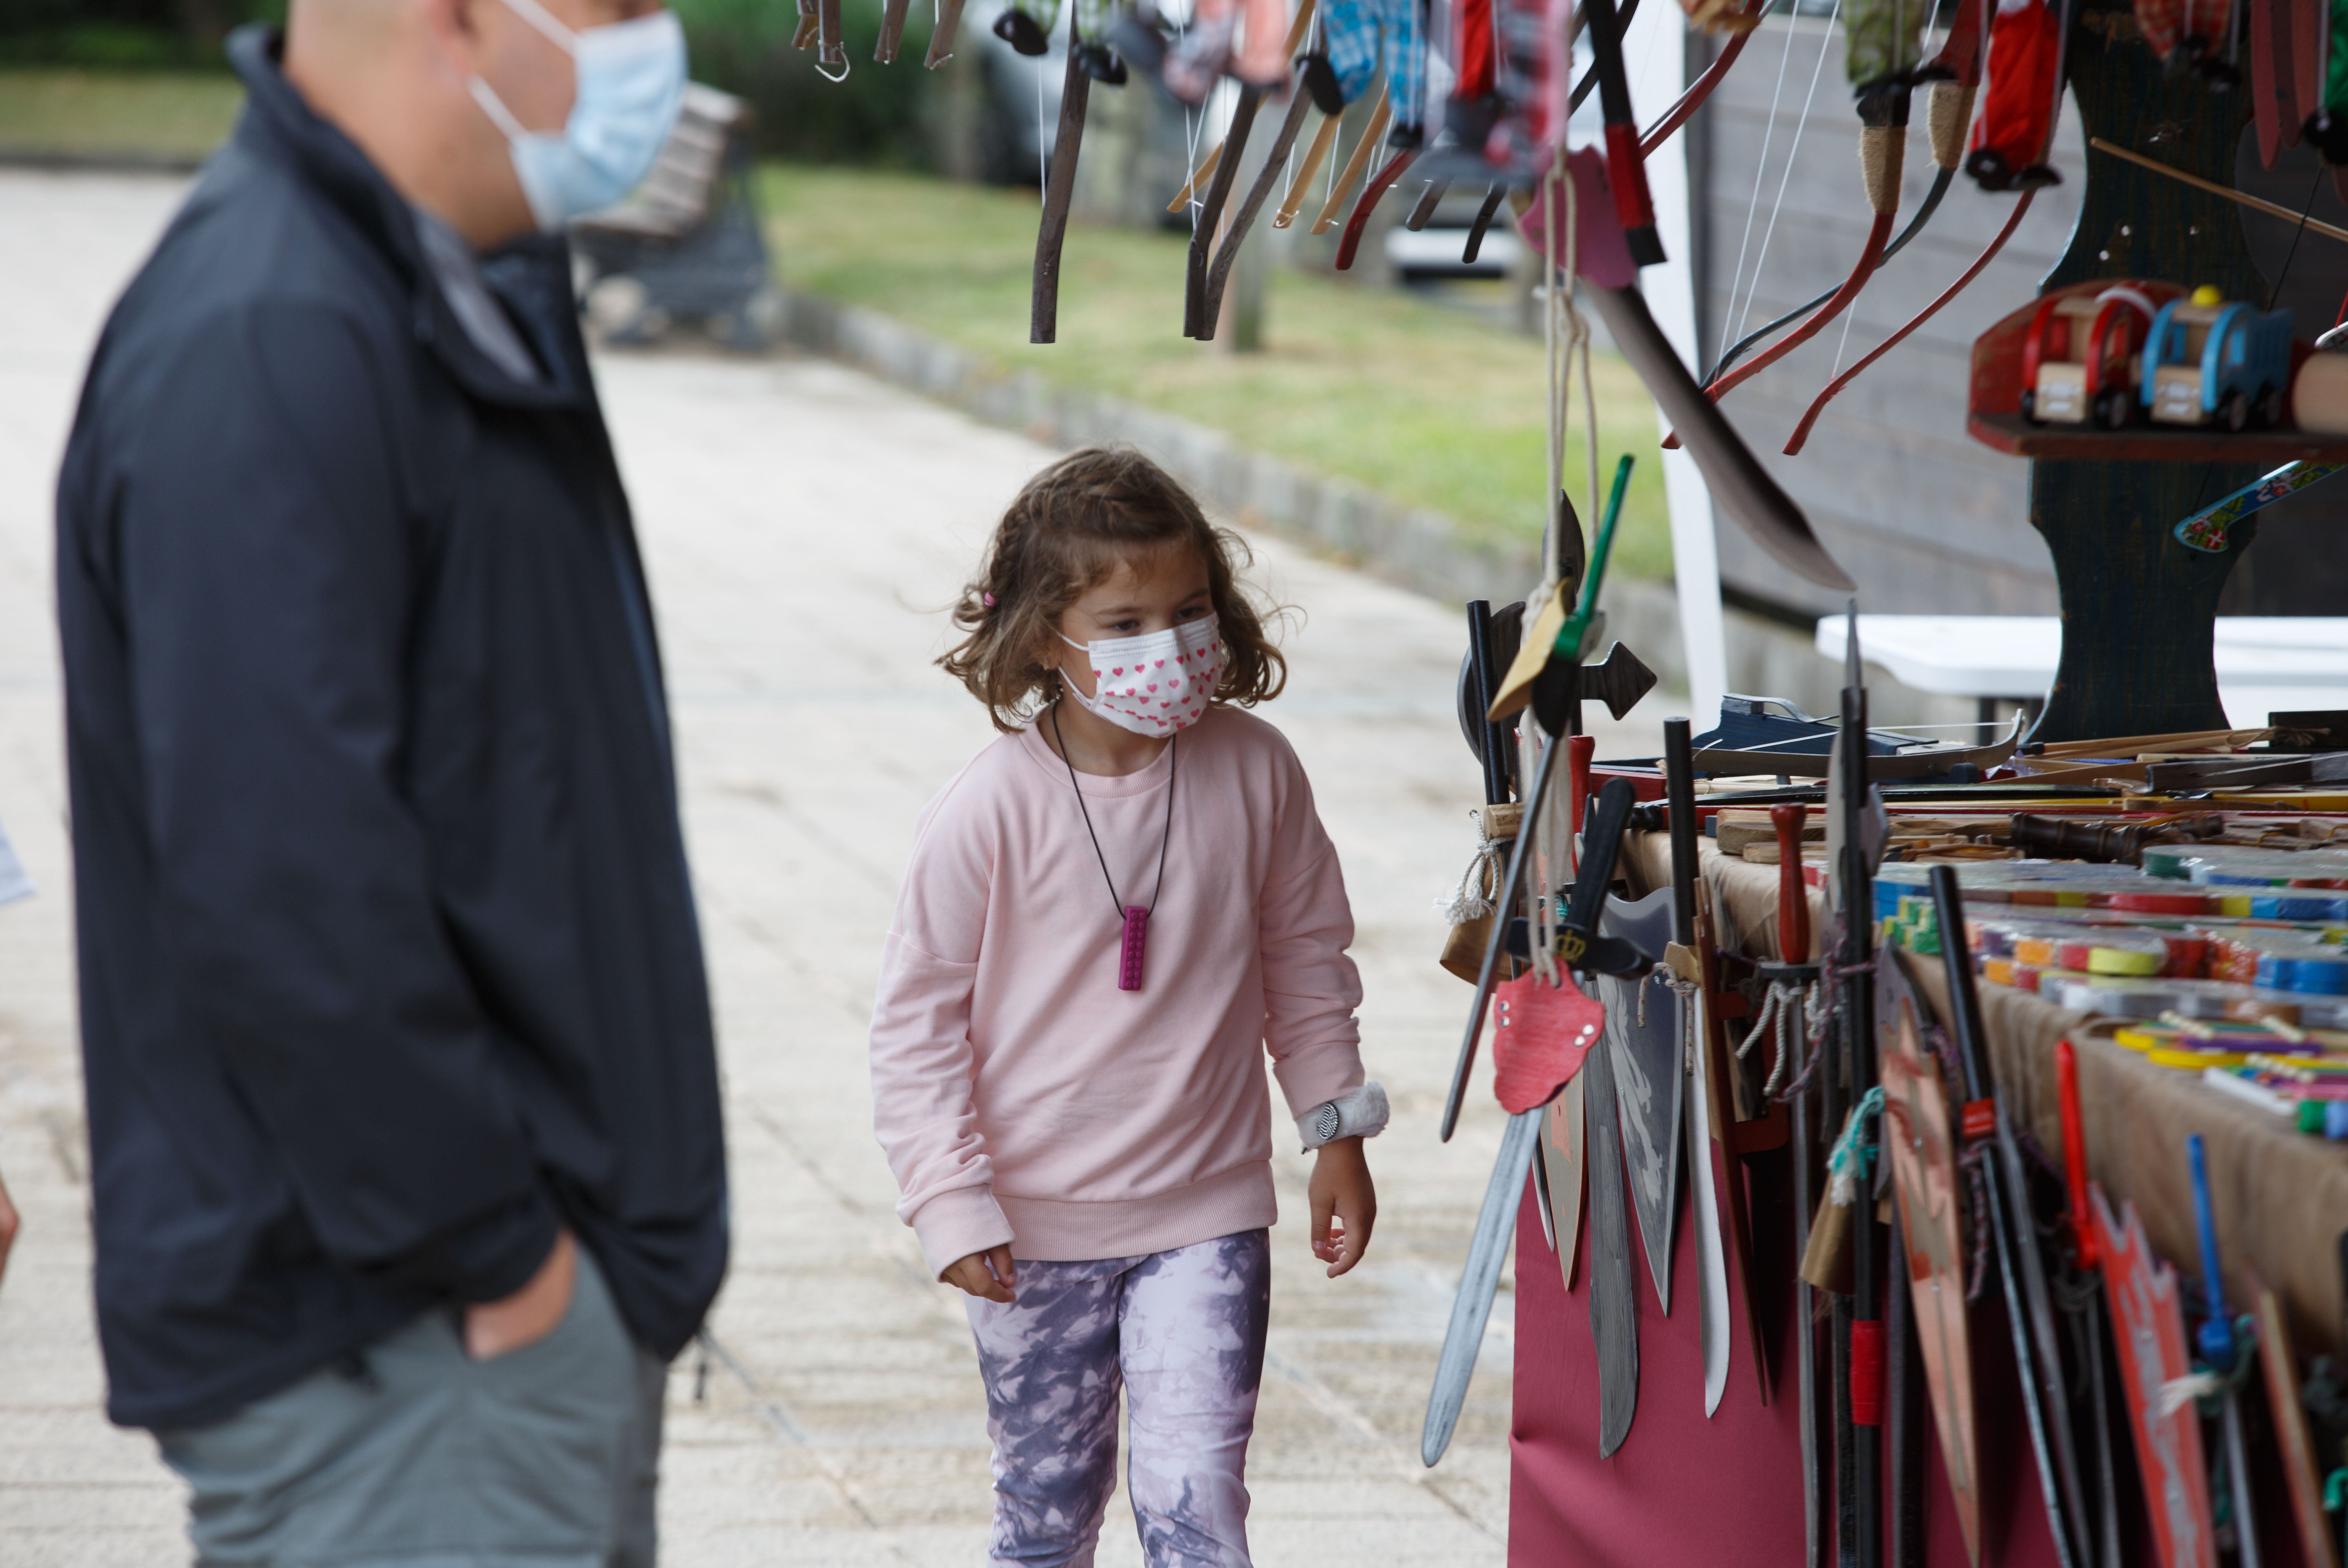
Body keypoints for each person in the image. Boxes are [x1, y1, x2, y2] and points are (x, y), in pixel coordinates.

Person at [52, 0, 726, 1561]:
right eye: (621, 10)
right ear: (467, 21)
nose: (657, 46)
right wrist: (504, 1264)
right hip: (408, 1350)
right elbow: (279, 885)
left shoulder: (429, 288)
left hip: (477, 1341)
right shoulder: (271, 334)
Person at [868, 447, 1386, 1568]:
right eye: (1125, 622)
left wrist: (1334, 1126)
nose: (1169, 646)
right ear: (1042, 635)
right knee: (1046, 1518)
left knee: (1199, 1500)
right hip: (1028, 1234)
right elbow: (916, 1029)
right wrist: (949, 1202)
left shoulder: (1257, 771)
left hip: (1207, 1216)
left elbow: (1306, 956)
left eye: (1190, 611)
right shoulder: (983, 812)